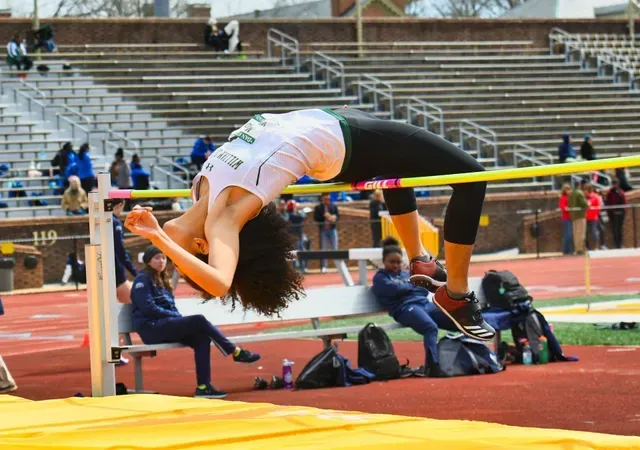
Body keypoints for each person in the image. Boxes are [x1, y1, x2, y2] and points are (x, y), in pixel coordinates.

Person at [124, 107, 495, 341]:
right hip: (351, 143)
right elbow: (219, 284)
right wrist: (158, 236)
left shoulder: (200, 187)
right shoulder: (226, 217)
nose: (169, 242)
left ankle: (421, 261)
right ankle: (456, 294)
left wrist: (164, 237)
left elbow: (179, 239)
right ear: (205, 246)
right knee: (472, 176)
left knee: (397, 171)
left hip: (337, 124)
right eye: (178, 255)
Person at [130, 245, 260, 399]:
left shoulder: (163, 281)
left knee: (201, 339)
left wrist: (175, 317)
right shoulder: (142, 280)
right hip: (151, 329)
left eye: (164, 258)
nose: (161, 261)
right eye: (157, 258)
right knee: (198, 319)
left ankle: (203, 387)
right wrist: (174, 316)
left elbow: (169, 308)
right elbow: (148, 308)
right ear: (148, 261)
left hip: (164, 325)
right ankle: (235, 352)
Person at [372, 237, 451, 376]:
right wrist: (411, 286)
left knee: (455, 318)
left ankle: (471, 356)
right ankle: (432, 366)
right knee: (430, 327)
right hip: (404, 308)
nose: (396, 265)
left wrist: (406, 287)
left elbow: (423, 288)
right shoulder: (380, 277)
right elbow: (391, 289)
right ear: (384, 261)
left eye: (398, 262)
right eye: (392, 262)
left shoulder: (406, 273)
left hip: (424, 304)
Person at [112, 199, 138, 304]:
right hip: (115, 268)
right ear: (120, 205)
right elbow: (119, 250)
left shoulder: (100, 220)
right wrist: (133, 271)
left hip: (101, 266)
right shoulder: (114, 222)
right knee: (132, 303)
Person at [313, 193, 339, 273]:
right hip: (323, 230)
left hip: (332, 229)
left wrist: (334, 217)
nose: (327, 201)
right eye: (325, 199)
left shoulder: (333, 206)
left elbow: (337, 216)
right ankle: (324, 267)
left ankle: (338, 266)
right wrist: (324, 216)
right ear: (322, 199)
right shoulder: (318, 207)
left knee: (335, 248)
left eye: (328, 199)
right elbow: (316, 218)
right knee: (323, 249)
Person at [568, 181, 589, 255]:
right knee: (581, 233)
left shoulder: (571, 194)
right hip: (580, 215)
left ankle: (577, 248)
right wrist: (588, 205)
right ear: (579, 185)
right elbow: (584, 204)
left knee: (576, 233)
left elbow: (569, 204)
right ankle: (580, 249)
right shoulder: (579, 193)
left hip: (573, 215)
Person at [605, 179, 627, 249]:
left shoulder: (621, 192)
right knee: (615, 229)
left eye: (616, 183)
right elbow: (608, 203)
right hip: (613, 214)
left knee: (620, 229)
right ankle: (617, 244)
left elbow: (624, 202)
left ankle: (620, 244)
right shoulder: (610, 193)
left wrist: (624, 211)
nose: (615, 185)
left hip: (620, 213)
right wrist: (610, 213)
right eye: (614, 183)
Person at [558, 183, 573, 255]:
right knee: (567, 234)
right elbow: (562, 206)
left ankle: (569, 249)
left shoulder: (571, 197)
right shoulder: (563, 198)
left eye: (569, 189)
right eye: (567, 189)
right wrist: (567, 208)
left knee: (570, 234)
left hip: (571, 217)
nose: (568, 191)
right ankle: (566, 250)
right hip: (566, 218)